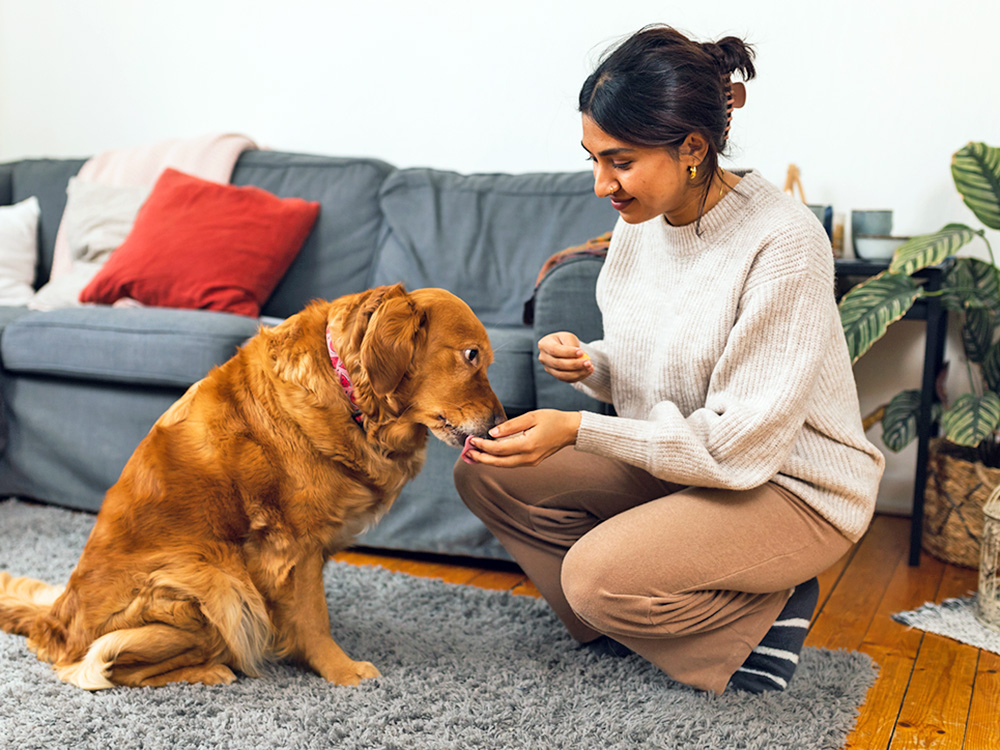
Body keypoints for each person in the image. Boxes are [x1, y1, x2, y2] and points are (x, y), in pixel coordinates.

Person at [453, 24, 884, 695]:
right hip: (687, 464)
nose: (602, 185)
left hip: (787, 486)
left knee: (594, 576)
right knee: (487, 473)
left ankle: (763, 612)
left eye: (619, 162)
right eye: (592, 159)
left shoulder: (785, 242)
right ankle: (635, 622)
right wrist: (592, 364)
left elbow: (740, 442)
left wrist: (577, 427)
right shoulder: (642, 225)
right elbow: (657, 359)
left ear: (692, 148)